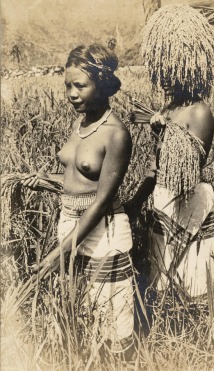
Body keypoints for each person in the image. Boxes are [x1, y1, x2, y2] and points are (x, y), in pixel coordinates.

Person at [22, 44, 135, 359]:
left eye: (80, 85)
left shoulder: (116, 134)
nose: (71, 93)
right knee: (83, 313)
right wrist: (44, 182)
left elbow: (100, 202)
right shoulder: (80, 124)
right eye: (67, 85)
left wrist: (55, 255)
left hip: (102, 232)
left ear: (101, 83)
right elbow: (77, 183)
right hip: (70, 224)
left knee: (112, 319)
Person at [127, 4, 214, 301]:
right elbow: (159, 164)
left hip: (189, 200)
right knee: (163, 275)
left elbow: (191, 166)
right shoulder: (168, 108)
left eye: (172, 66)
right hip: (165, 198)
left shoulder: (200, 111)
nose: (165, 75)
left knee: (193, 275)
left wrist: (165, 132)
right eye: (161, 66)